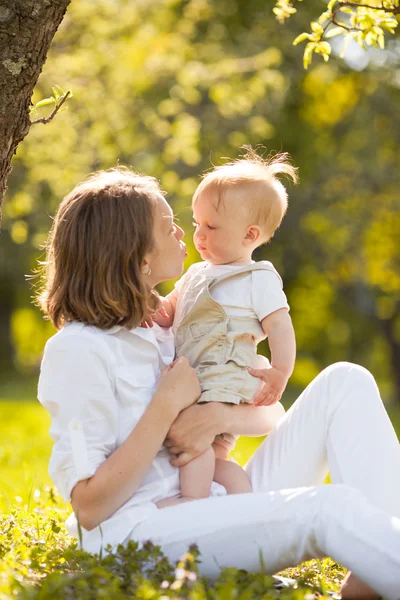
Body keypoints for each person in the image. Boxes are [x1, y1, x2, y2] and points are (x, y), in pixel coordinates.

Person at [37, 167, 400, 600]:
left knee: (346, 381)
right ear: (137, 253)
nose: (181, 234)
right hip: (143, 530)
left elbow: (271, 412)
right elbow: (92, 506)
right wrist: (167, 405)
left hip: (214, 496)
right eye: (166, 225)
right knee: (328, 508)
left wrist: (216, 416)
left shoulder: (176, 326)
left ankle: (372, 576)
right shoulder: (78, 350)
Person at [152, 149, 297, 507]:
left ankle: (194, 503)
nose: (198, 235)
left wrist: (280, 370)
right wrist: (150, 306)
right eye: (197, 223)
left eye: (211, 227)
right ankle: (239, 503)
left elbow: (280, 325)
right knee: (217, 457)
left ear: (249, 235)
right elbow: (170, 311)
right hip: (196, 378)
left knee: (198, 446)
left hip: (223, 381)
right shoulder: (196, 274)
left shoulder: (257, 278)